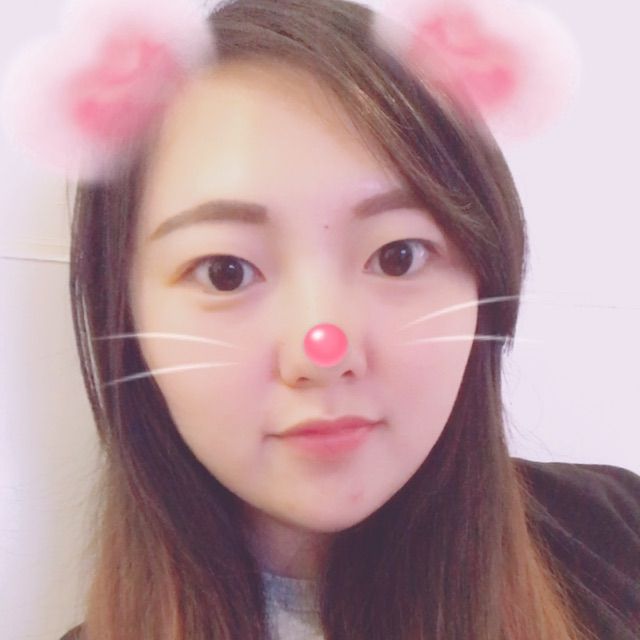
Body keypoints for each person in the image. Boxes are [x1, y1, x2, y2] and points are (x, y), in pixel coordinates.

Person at [1, 0, 638, 639]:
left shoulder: (619, 536)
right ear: (127, 313)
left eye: (398, 256)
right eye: (225, 272)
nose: (321, 350)